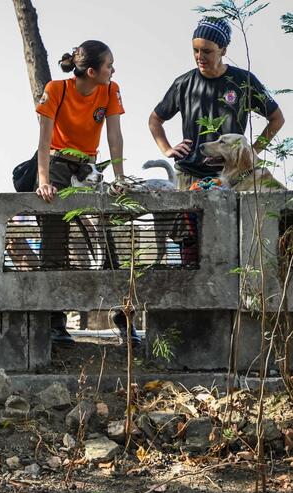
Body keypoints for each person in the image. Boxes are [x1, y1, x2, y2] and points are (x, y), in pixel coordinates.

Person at [34, 40, 139, 347]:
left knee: (106, 236)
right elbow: (43, 141)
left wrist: (119, 177)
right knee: (55, 239)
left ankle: (123, 318)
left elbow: (114, 135)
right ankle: (55, 322)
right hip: (56, 165)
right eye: (109, 65)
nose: (113, 70)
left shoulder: (110, 89)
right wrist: (44, 181)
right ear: (92, 71)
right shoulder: (56, 90)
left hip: (89, 167)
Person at [149, 17, 284, 190]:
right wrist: (167, 149)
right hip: (188, 176)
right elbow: (155, 119)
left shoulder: (243, 81)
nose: (200, 57)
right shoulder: (183, 83)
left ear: (223, 50)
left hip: (229, 180)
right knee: (183, 218)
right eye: (195, 50)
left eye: (207, 51)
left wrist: (252, 153)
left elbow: (277, 118)